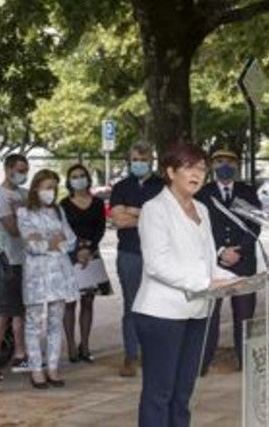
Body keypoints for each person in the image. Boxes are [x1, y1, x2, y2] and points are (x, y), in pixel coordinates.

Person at [133, 143, 231, 426]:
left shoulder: (202, 207)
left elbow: (207, 257)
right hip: (161, 314)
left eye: (201, 168)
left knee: (183, 393)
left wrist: (227, 279)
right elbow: (157, 264)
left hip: (197, 311)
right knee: (159, 393)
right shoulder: (155, 209)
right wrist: (204, 282)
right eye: (188, 167)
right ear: (170, 171)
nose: (197, 174)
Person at [196, 146, 261, 374]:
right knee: (209, 316)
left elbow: (255, 225)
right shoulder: (202, 194)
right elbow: (199, 228)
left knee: (244, 315)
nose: (225, 166)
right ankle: (202, 362)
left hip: (243, 263)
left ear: (237, 165)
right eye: (219, 161)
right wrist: (221, 250)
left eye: (230, 162)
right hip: (214, 264)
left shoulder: (248, 192)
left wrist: (239, 251)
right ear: (212, 166)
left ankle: (245, 361)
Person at [17, 170, 78, 389]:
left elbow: (70, 239)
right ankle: (36, 368)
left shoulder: (58, 211)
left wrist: (48, 241)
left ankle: (52, 367)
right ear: (36, 188)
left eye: (53, 187)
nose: (50, 192)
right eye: (46, 187)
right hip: (36, 275)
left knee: (55, 322)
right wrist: (51, 241)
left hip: (59, 274)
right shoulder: (24, 212)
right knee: (33, 323)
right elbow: (31, 245)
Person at [109, 141, 165, 377]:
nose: (139, 164)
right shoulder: (121, 186)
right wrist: (145, 215)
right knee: (132, 305)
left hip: (158, 254)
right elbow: (118, 220)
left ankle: (155, 354)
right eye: (135, 160)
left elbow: (164, 219)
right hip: (130, 253)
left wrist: (133, 211)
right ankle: (131, 355)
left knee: (158, 305)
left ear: (151, 161)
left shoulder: (163, 186)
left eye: (143, 160)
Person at [0, 153, 31, 376]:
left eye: (26, 170)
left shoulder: (24, 194)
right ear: (8, 169)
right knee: (3, 311)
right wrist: (24, 215)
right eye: (20, 169)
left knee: (19, 312)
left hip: (25, 260)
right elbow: (13, 230)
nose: (23, 174)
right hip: (7, 260)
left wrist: (21, 213)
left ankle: (21, 354)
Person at [60, 163, 108, 364]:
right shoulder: (63, 204)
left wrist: (89, 248)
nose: (78, 179)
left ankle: (85, 345)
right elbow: (62, 229)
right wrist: (77, 249)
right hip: (70, 256)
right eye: (74, 176)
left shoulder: (97, 203)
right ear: (69, 181)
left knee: (88, 301)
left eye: (82, 175)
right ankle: (70, 345)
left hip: (92, 256)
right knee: (69, 303)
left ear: (88, 179)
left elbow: (100, 228)